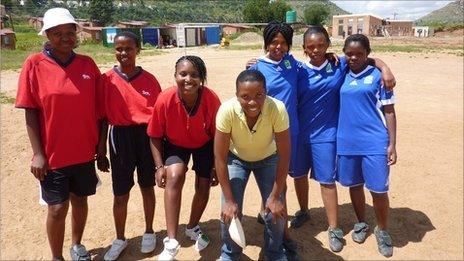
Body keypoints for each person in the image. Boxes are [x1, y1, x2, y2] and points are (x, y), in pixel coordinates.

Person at [295, 26, 396, 252]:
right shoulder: (298, 70)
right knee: (300, 175)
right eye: (310, 46)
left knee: (328, 181)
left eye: (321, 45)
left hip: (329, 135)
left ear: (328, 45)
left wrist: (385, 67)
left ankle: (334, 229)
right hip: (302, 134)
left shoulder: (338, 64)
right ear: (303, 48)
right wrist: (256, 63)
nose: (316, 50)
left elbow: (364, 57)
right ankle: (303, 211)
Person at [15, 7, 100, 261]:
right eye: (57, 33)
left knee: (80, 200)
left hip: (84, 151)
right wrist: (38, 154)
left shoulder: (87, 64)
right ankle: (56, 257)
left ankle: (76, 245)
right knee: (57, 208)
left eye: (70, 31)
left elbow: (99, 108)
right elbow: (30, 111)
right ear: (48, 35)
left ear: (76, 33)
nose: (65, 37)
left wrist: (100, 146)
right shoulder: (34, 64)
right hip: (53, 155)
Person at [96, 31, 162, 260]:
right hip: (119, 137)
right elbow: (103, 117)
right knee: (120, 192)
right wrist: (100, 149)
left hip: (145, 136)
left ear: (138, 50)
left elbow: (158, 117)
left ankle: (149, 231)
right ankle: (120, 238)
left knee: (147, 187)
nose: (123, 53)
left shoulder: (150, 80)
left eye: (128, 48)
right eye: (119, 49)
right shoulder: (106, 80)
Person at [147, 55, 221, 260]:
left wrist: (215, 165)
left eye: (195, 75)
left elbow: (219, 136)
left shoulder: (210, 99)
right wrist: (159, 166)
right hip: (175, 144)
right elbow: (154, 134)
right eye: (183, 74)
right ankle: (171, 241)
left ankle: (192, 226)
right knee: (175, 175)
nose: (188, 79)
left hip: (204, 144)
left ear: (202, 79)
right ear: (175, 76)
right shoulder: (165, 98)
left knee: (204, 185)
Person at [215, 69, 290, 261]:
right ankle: (230, 253)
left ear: (266, 92)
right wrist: (230, 201)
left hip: (268, 158)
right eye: (245, 96)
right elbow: (220, 158)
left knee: (276, 209)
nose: (252, 102)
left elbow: (284, 155)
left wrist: (274, 196)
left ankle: (274, 253)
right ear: (237, 95)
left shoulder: (277, 108)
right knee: (228, 210)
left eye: (259, 95)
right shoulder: (227, 110)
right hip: (236, 159)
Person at [337, 34, 397, 257]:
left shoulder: (378, 76)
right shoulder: (340, 71)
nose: (353, 57)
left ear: (367, 54)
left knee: (379, 189)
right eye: (349, 53)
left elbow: (389, 111)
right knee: (354, 185)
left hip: (374, 141)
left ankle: (382, 230)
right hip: (347, 141)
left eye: (359, 54)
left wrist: (392, 144)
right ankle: (361, 222)